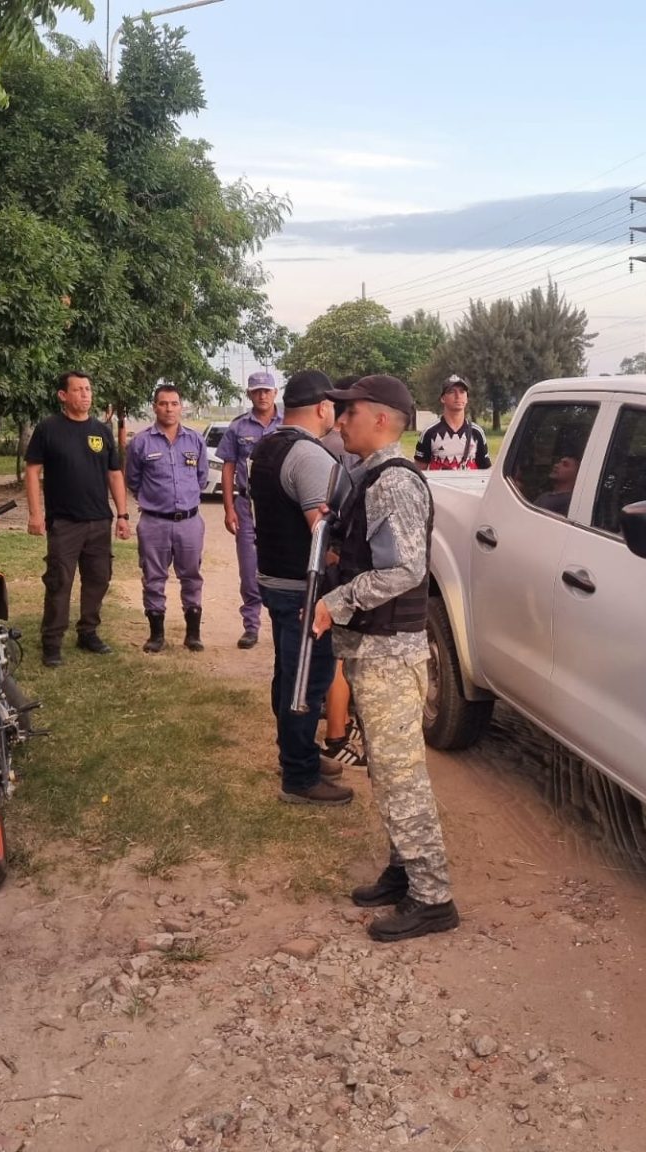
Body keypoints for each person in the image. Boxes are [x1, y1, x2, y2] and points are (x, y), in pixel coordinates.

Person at [313, 374, 459, 943]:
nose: (339, 420)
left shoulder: (393, 482)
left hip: (390, 656)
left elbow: (405, 569)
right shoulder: (369, 476)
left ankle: (433, 896)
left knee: (402, 776)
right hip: (374, 652)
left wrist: (336, 600)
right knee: (386, 769)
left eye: (348, 412)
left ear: (378, 419)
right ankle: (404, 870)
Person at [248, 370, 355, 806]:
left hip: (275, 577)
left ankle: (298, 753)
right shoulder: (311, 457)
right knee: (307, 683)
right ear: (323, 407)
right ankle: (300, 776)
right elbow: (320, 534)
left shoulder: (268, 444)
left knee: (288, 673)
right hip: (301, 588)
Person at [24, 371, 132, 667]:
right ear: (63, 395)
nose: (85, 395)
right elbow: (32, 471)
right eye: (78, 390)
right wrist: (35, 514)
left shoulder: (102, 430)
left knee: (98, 579)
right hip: (64, 523)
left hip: (99, 520)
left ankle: (88, 632)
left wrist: (122, 514)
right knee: (60, 582)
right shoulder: (48, 429)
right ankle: (52, 642)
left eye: (88, 389)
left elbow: (114, 474)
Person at [125, 384, 208, 654]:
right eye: (163, 403)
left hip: (189, 522)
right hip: (154, 523)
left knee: (192, 576)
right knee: (153, 577)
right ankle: (156, 635)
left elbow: (202, 477)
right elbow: (133, 480)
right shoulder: (141, 442)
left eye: (174, 403)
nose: (169, 408)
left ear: (181, 406)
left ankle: (193, 634)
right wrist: (155, 502)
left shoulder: (195, 440)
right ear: (154, 407)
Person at [320, 377, 368, 771]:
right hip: (345, 563)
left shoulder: (326, 446)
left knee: (340, 651)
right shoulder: (344, 450)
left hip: (338, 559)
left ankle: (340, 724)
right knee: (342, 653)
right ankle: (337, 735)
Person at [218, 371, 283, 649]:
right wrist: (229, 507)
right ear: (249, 394)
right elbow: (229, 466)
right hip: (247, 505)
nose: (262, 395)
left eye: (267, 390)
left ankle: (283, 627)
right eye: (257, 391)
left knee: (284, 566)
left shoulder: (287, 424)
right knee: (249, 569)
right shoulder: (238, 427)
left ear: (275, 393)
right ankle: (251, 626)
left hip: (280, 504)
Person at [414, 375, 491, 472]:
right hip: (439, 486)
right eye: (451, 392)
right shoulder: (429, 432)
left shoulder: (477, 432)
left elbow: (486, 471)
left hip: (470, 486)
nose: (458, 396)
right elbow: (419, 470)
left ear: (467, 398)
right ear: (442, 398)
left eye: (462, 392)